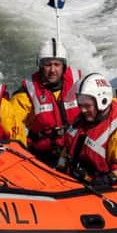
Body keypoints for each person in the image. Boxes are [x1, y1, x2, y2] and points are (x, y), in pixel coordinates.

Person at [59, 73, 117, 186]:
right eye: (80, 104)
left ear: (102, 102)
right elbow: (67, 149)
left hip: (98, 190)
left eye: (87, 106)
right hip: (68, 181)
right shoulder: (83, 119)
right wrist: (59, 168)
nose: (82, 110)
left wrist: (109, 179)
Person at [10, 37, 82, 166]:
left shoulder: (80, 84)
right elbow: (11, 121)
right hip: (44, 158)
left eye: (57, 64)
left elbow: (104, 107)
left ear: (64, 66)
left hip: (77, 152)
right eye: (48, 65)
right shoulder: (27, 93)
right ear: (40, 66)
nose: (53, 70)